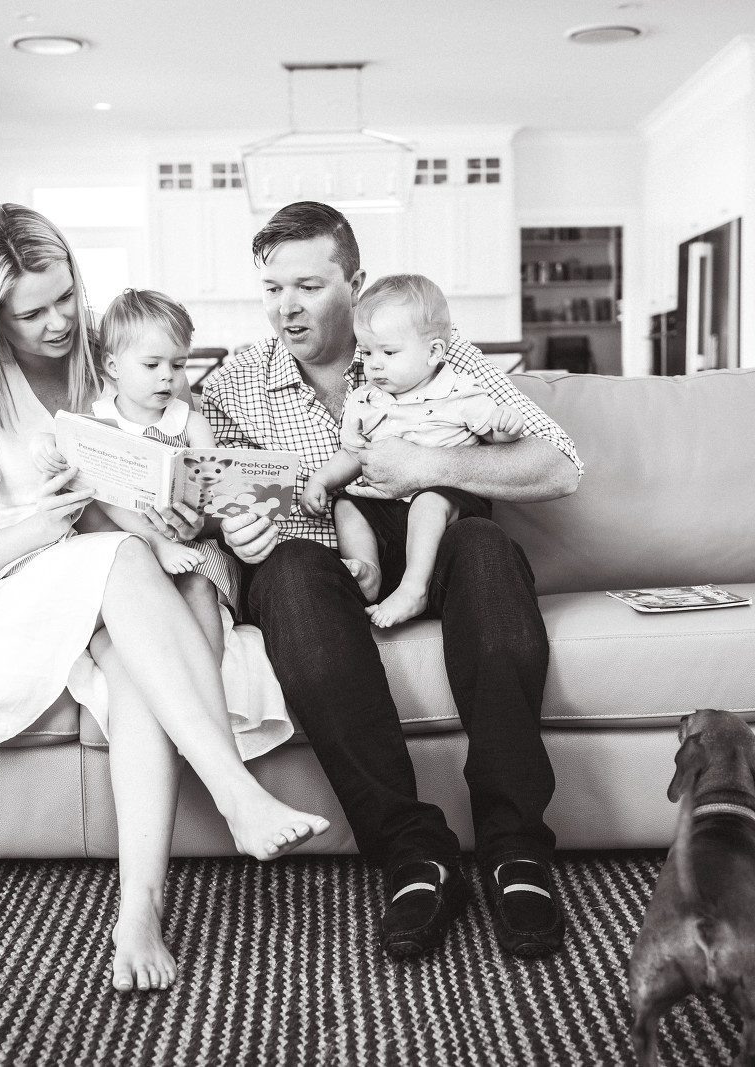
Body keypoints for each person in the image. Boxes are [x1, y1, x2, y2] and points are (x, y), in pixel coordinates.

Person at [0, 204, 328, 993]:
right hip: (24, 580)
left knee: (137, 662)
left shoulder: (110, 352)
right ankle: (237, 793)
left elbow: (177, 471)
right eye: (31, 313)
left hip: (128, 578)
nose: (59, 323)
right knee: (119, 556)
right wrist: (48, 521)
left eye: (65, 296)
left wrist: (188, 512)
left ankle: (138, 910)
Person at [200, 201, 583, 960]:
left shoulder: (436, 349)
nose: (286, 307)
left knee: (485, 545)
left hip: (441, 550)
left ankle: (515, 846)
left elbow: (560, 466)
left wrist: (427, 465)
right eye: (272, 288)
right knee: (286, 573)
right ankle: (413, 851)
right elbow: (213, 497)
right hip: (322, 567)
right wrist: (228, 525)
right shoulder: (234, 383)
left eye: (308, 286)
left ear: (355, 283)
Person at [31, 286, 292, 758]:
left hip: (189, 547)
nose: (167, 377)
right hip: (129, 548)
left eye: (178, 364)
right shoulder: (96, 423)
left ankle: (204, 694)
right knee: (102, 510)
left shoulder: (189, 422)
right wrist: (51, 452)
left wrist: (207, 516)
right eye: (151, 365)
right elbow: (89, 497)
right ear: (113, 366)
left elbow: (217, 494)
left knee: (198, 584)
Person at [301, 273, 529, 628]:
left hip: (447, 502)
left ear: (433, 352)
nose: (374, 364)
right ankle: (369, 572)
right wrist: (321, 480)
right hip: (389, 507)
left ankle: (413, 589)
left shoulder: (458, 391)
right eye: (367, 352)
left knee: (428, 502)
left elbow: (494, 435)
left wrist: (506, 427)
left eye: (389, 352)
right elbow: (354, 454)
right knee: (347, 504)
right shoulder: (365, 400)